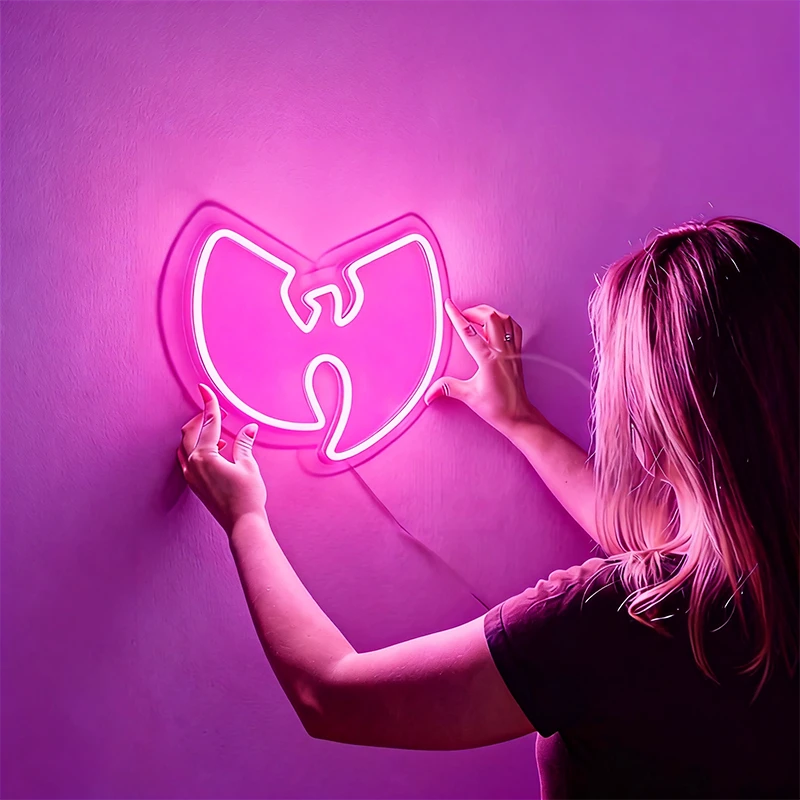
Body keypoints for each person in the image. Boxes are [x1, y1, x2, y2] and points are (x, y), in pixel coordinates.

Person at [177, 217, 800, 798]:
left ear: (657, 414)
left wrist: (246, 519)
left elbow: (331, 695)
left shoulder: (612, 622)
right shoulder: (761, 567)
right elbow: (674, 534)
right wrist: (521, 421)